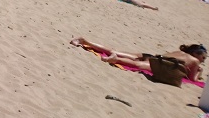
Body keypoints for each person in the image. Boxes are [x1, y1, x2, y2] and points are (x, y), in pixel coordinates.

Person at [70, 37, 206, 82]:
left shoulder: (181, 52)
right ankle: (116, 60)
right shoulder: (195, 61)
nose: (203, 60)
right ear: (195, 53)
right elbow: (192, 79)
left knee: (113, 50)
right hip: (162, 63)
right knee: (137, 65)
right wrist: (199, 72)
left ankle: (85, 41)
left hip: (154, 56)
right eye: (203, 57)